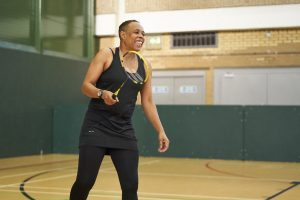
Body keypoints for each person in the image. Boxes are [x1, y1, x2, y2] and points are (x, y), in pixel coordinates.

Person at [69, 20, 170, 200]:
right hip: (96, 127)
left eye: (143, 34)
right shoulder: (106, 55)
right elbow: (86, 86)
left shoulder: (145, 66)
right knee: (85, 181)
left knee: (130, 185)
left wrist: (161, 130)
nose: (141, 36)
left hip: (123, 130)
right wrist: (101, 93)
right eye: (136, 32)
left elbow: (147, 101)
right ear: (123, 35)